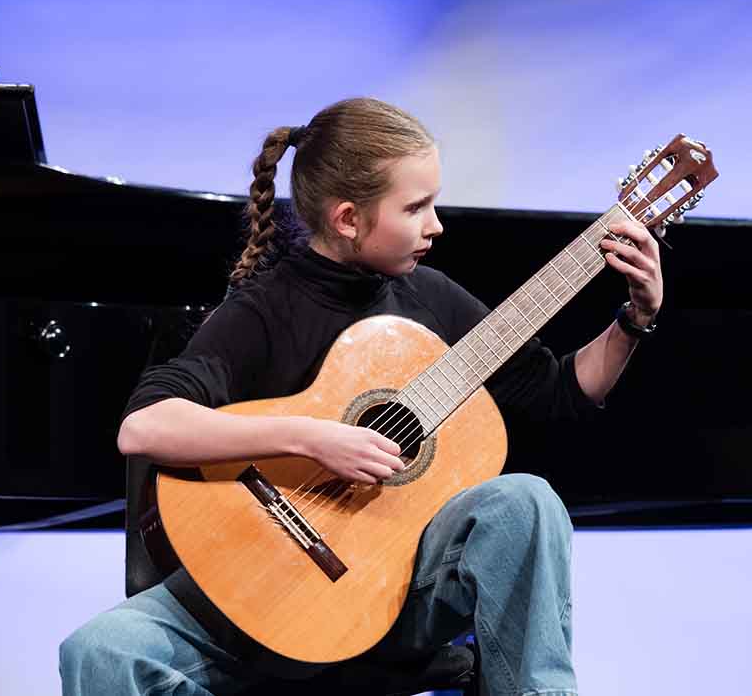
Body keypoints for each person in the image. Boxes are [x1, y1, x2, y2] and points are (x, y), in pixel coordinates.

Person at [59, 97, 664, 696]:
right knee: (101, 650)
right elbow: (144, 427)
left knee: (525, 500)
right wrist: (312, 438)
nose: (436, 225)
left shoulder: (432, 299)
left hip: (391, 596)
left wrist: (634, 319)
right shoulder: (264, 309)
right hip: (255, 602)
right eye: (416, 207)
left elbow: (560, 390)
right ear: (348, 219)